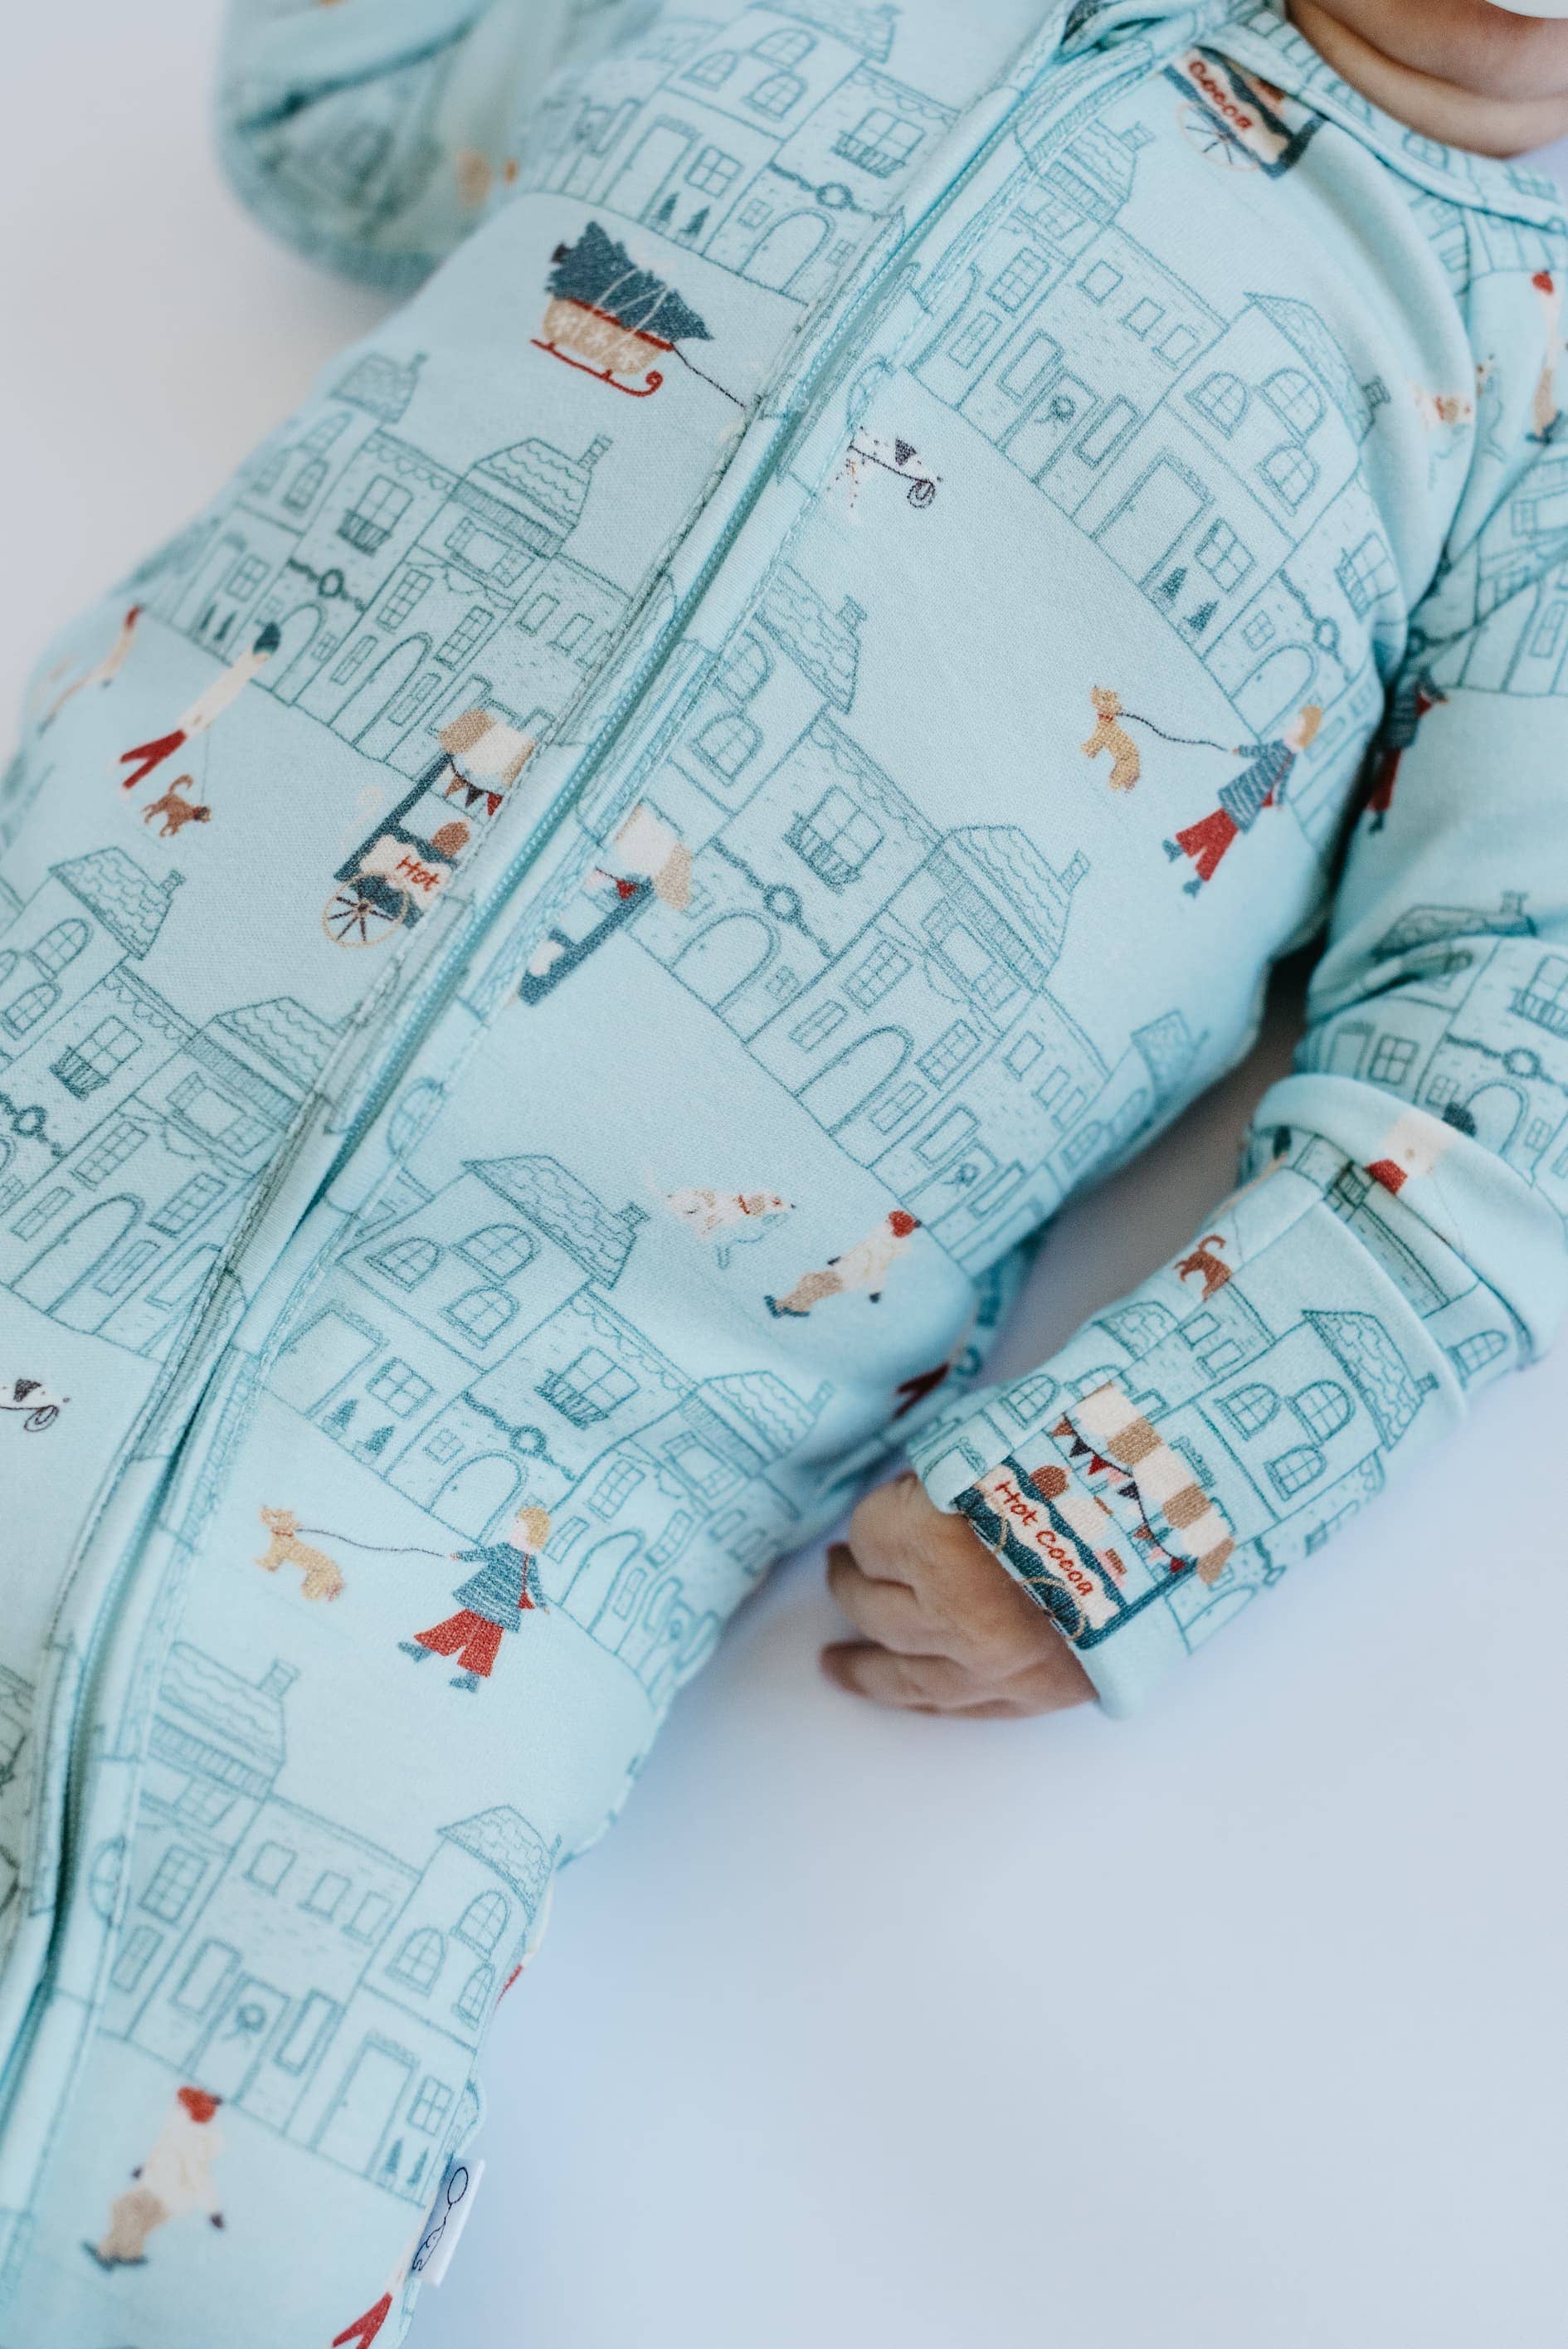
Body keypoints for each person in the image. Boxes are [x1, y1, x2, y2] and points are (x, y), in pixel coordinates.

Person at [2, 2, 1567, 2338]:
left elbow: (1508, 1060)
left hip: (503, 1485)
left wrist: (1141, 1489)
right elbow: (318, 112)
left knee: (206, 2233)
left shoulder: (1524, 404)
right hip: (72, 1034)